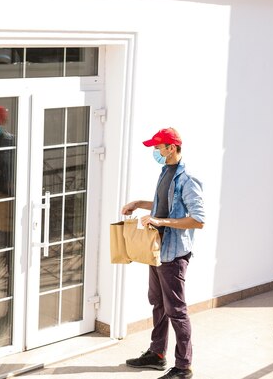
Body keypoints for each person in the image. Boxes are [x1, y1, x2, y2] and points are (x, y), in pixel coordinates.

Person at [121, 128, 205, 379]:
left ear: (171, 147)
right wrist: (138, 203)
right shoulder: (164, 173)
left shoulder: (187, 179)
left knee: (176, 311)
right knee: (157, 302)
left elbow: (198, 220)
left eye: (158, 147)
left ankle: (183, 366)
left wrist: (161, 222)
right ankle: (157, 354)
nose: (155, 152)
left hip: (173, 255)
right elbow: (162, 206)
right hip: (156, 250)